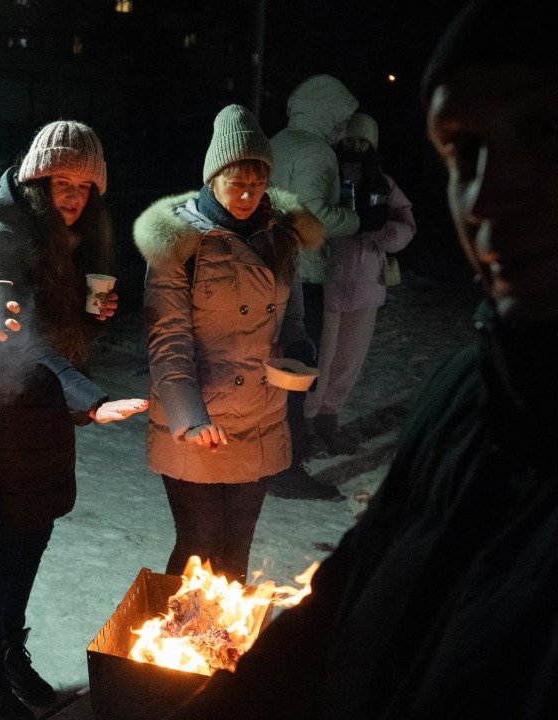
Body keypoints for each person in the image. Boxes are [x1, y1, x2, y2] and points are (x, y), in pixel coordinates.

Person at [168, 2, 558, 717]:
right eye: (462, 151)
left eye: (541, 132)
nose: (484, 191)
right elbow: (333, 611)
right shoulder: (466, 398)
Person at [0, 120, 147, 720]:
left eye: (86, 185)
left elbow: (51, 320)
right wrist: (88, 395)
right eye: (62, 180)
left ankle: (10, 657)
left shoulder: (60, 235)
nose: (74, 195)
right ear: (36, 178)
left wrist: (89, 310)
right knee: (3, 542)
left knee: (33, 536)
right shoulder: (0, 229)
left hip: (41, 408)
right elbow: (11, 337)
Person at [133, 104, 324, 584]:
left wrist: (299, 350)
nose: (245, 195)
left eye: (256, 185)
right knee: (198, 548)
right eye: (235, 182)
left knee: (235, 555)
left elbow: (292, 316)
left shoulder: (280, 236)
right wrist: (189, 416)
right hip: (199, 422)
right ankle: (167, 656)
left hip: (261, 417)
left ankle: (222, 657)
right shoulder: (179, 240)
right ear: (212, 177)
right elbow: (167, 337)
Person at [267, 73, 360, 500]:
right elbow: (314, 216)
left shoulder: (276, 141)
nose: (343, 128)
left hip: (269, 270)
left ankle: (267, 459)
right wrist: (360, 219)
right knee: (300, 371)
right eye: (340, 118)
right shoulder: (316, 151)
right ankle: (288, 466)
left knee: (271, 371)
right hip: (305, 273)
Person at [306, 111, 416, 456]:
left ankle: (329, 421)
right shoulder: (325, 176)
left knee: (349, 360)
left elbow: (407, 224)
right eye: (350, 139)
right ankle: (306, 425)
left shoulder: (383, 182)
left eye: (363, 141)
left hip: (367, 283)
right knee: (320, 358)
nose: (356, 146)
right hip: (328, 279)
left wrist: (381, 232)